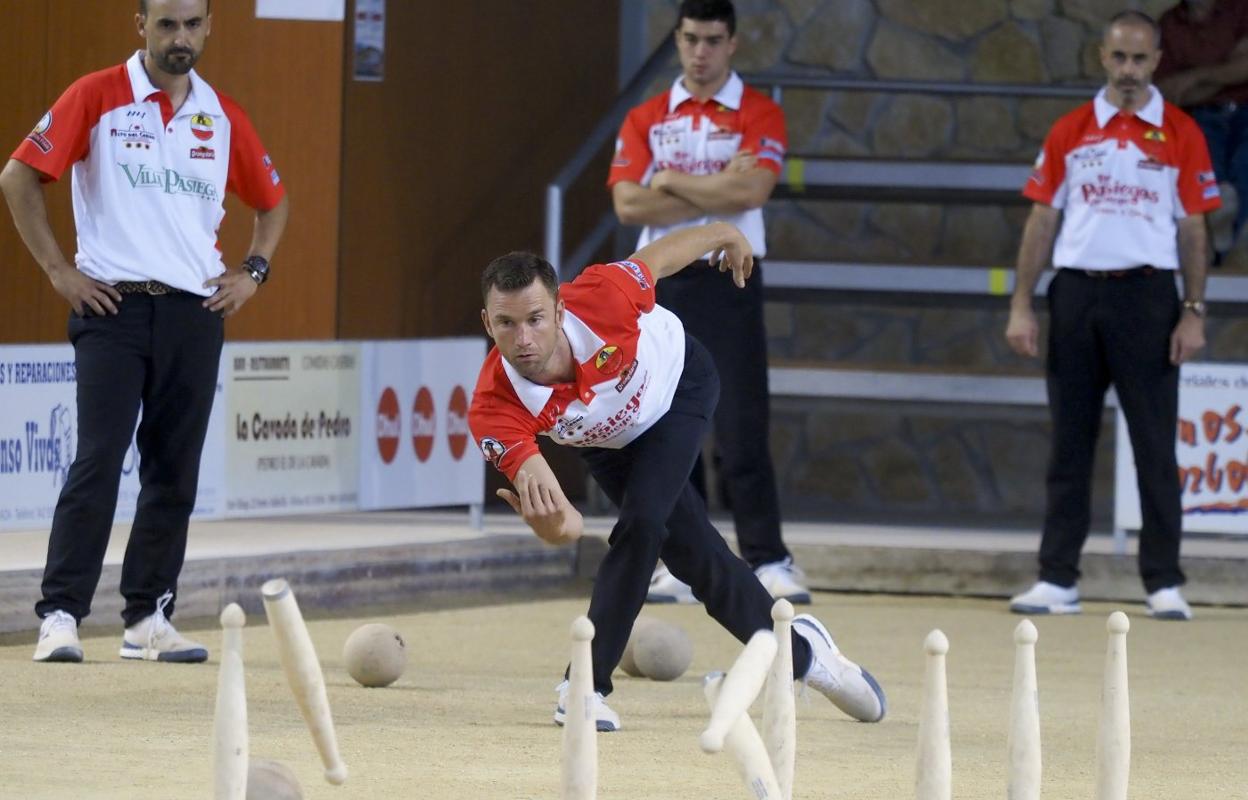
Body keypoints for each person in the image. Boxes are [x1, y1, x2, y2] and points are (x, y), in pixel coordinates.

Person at [467, 221, 885, 730]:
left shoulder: (604, 294)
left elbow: (660, 256)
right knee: (693, 553)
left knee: (644, 522)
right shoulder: (493, 408)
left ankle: (585, 685)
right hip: (609, 443)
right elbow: (569, 529)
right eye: (507, 324)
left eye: (535, 319)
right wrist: (548, 525)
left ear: (559, 309)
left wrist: (728, 233)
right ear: (488, 323)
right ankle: (803, 655)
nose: (524, 339)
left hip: (679, 389)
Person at [0, 0, 289, 662]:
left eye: (192, 25)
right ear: (141, 27)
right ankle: (62, 615)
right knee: (98, 461)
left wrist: (254, 271)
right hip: (112, 308)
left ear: (209, 26)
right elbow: (18, 176)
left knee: (175, 470)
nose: (180, 38)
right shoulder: (96, 95)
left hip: (195, 312)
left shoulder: (223, 115)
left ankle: (147, 619)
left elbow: (273, 201)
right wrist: (57, 270)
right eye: (166, 25)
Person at [1004, 11, 1215, 622]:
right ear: (1102, 58)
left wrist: (1193, 311)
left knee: (1153, 441)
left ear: (1157, 61)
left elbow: (1194, 226)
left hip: (1149, 298)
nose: (1129, 71)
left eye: (1141, 59)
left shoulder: (1180, 131)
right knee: (1069, 441)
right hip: (1076, 294)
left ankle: (1164, 581)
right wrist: (1022, 302)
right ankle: (1057, 577)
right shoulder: (1071, 129)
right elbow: (1042, 218)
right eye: (1119, 58)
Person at [607, 0, 807, 606]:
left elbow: (753, 190)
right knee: (668, 421)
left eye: (713, 40)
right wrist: (714, 186)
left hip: (732, 274)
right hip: (662, 281)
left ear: (733, 44)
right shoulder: (645, 117)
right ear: (677, 40)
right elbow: (627, 206)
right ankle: (682, 560)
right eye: (691, 39)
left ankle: (769, 557)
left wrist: (667, 181)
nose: (700, 52)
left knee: (743, 422)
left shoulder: (759, 110)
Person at [1154, 0, 1248, 265]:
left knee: (1246, 167)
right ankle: (1224, 251)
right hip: (1201, 115)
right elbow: (1168, 91)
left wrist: (1193, 78)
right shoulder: (1169, 24)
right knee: (1207, 175)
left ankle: (1225, 250)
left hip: (1245, 110)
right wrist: (1227, 73)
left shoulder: (1241, 10)